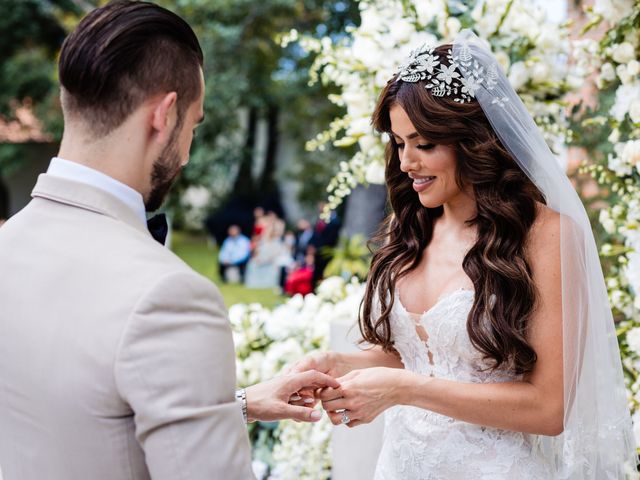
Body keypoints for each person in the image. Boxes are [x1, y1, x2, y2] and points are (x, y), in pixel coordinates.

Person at [0, 3, 338, 480]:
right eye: (194, 125)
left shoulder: (7, 245)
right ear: (164, 115)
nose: (188, 150)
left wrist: (230, 406)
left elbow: (71, 417)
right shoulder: (169, 296)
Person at [289, 31, 636, 479]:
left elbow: (550, 408)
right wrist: (338, 364)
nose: (406, 162)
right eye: (398, 143)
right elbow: (427, 357)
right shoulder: (409, 228)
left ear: (472, 140)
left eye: (424, 144)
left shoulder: (547, 235)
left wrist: (404, 390)